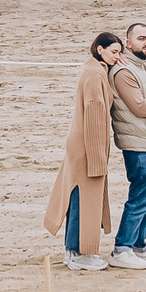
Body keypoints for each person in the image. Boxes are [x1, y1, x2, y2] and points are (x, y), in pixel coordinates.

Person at [44, 32, 121, 272]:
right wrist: (98, 158)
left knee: (77, 195)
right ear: (100, 49)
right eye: (114, 52)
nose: (117, 58)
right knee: (82, 198)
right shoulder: (94, 74)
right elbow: (95, 115)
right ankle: (79, 253)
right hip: (87, 145)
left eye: (120, 53)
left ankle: (73, 251)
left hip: (82, 143)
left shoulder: (94, 70)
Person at [107, 21, 146, 268]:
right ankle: (121, 249)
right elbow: (139, 107)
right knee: (140, 198)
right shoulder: (124, 71)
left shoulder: (143, 66)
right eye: (141, 38)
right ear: (128, 42)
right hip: (140, 144)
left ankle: (138, 244)